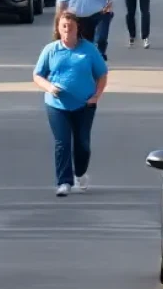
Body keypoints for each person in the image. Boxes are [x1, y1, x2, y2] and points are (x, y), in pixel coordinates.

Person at [34, 11, 108, 197]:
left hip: (84, 105)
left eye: (71, 26)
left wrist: (96, 96)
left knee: (82, 143)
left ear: (77, 28)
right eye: (63, 26)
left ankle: (81, 173)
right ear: (58, 29)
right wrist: (49, 88)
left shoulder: (88, 50)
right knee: (63, 142)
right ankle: (63, 182)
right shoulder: (51, 50)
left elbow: (101, 75)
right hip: (57, 105)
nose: (67, 30)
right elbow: (37, 75)